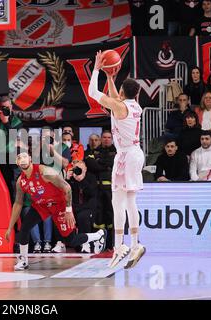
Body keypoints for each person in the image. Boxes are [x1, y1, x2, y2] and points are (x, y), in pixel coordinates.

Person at [88, 51, 145, 269]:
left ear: (123, 92)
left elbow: (93, 92)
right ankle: (128, 244)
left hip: (127, 156)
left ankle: (127, 244)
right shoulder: (132, 105)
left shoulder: (119, 106)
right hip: (132, 154)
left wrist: (96, 69)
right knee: (124, 201)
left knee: (122, 202)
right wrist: (110, 77)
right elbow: (115, 99)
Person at [4, 152, 107, 270]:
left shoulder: (45, 172)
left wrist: (68, 210)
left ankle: (97, 235)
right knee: (25, 227)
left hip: (59, 205)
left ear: (30, 159)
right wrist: (10, 227)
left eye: (24, 156)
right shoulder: (20, 181)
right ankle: (23, 261)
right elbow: (18, 204)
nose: (22, 159)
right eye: (19, 158)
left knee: (71, 240)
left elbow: (67, 187)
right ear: (17, 163)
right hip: (42, 205)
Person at [85, 130, 117, 250]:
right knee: (98, 218)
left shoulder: (116, 151)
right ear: (101, 138)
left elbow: (113, 164)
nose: (106, 139)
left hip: (110, 190)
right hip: (97, 189)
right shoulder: (94, 151)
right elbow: (92, 165)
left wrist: (99, 163)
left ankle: (111, 244)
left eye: (109, 137)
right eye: (104, 137)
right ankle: (98, 244)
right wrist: (106, 166)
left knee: (110, 217)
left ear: (112, 139)